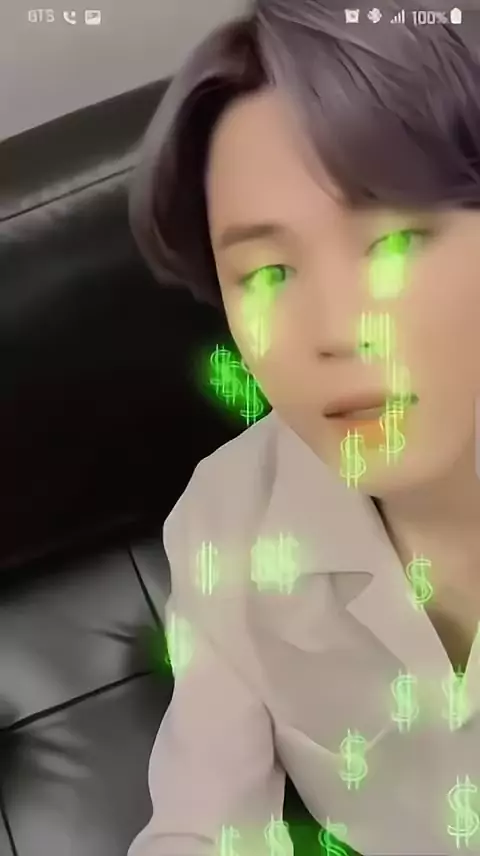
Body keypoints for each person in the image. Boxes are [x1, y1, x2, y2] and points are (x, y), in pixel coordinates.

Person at [127, 1, 480, 854]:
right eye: (268, 274)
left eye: (396, 244)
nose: (335, 330)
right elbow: (201, 825)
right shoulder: (227, 523)